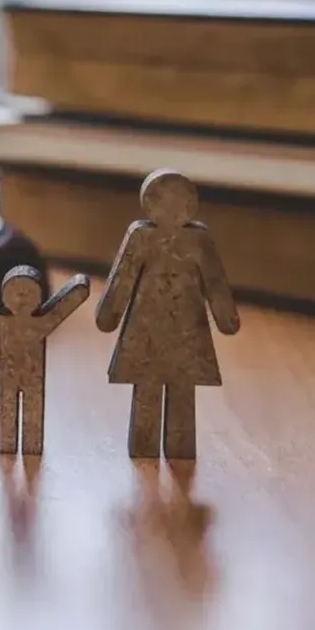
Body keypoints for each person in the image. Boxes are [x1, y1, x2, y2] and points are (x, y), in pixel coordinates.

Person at [95, 170, 240, 459]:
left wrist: (108, 317)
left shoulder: (197, 239)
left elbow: (215, 283)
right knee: (154, 386)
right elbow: (124, 278)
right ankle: (149, 446)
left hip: (177, 329)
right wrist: (226, 320)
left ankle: (172, 448)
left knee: (180, 388)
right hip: (155, 329)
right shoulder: (143, 237)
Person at [0, 266, 90, 454]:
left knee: (32, 409)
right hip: (9, 374)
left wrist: (79, 288)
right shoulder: (3, 321)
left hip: (33, 375)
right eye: (16, 293)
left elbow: (67, 303)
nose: (21, 299)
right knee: (8, 404)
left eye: (27, 293)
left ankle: (30, 445)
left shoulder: (40, 322)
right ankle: (8, 444)